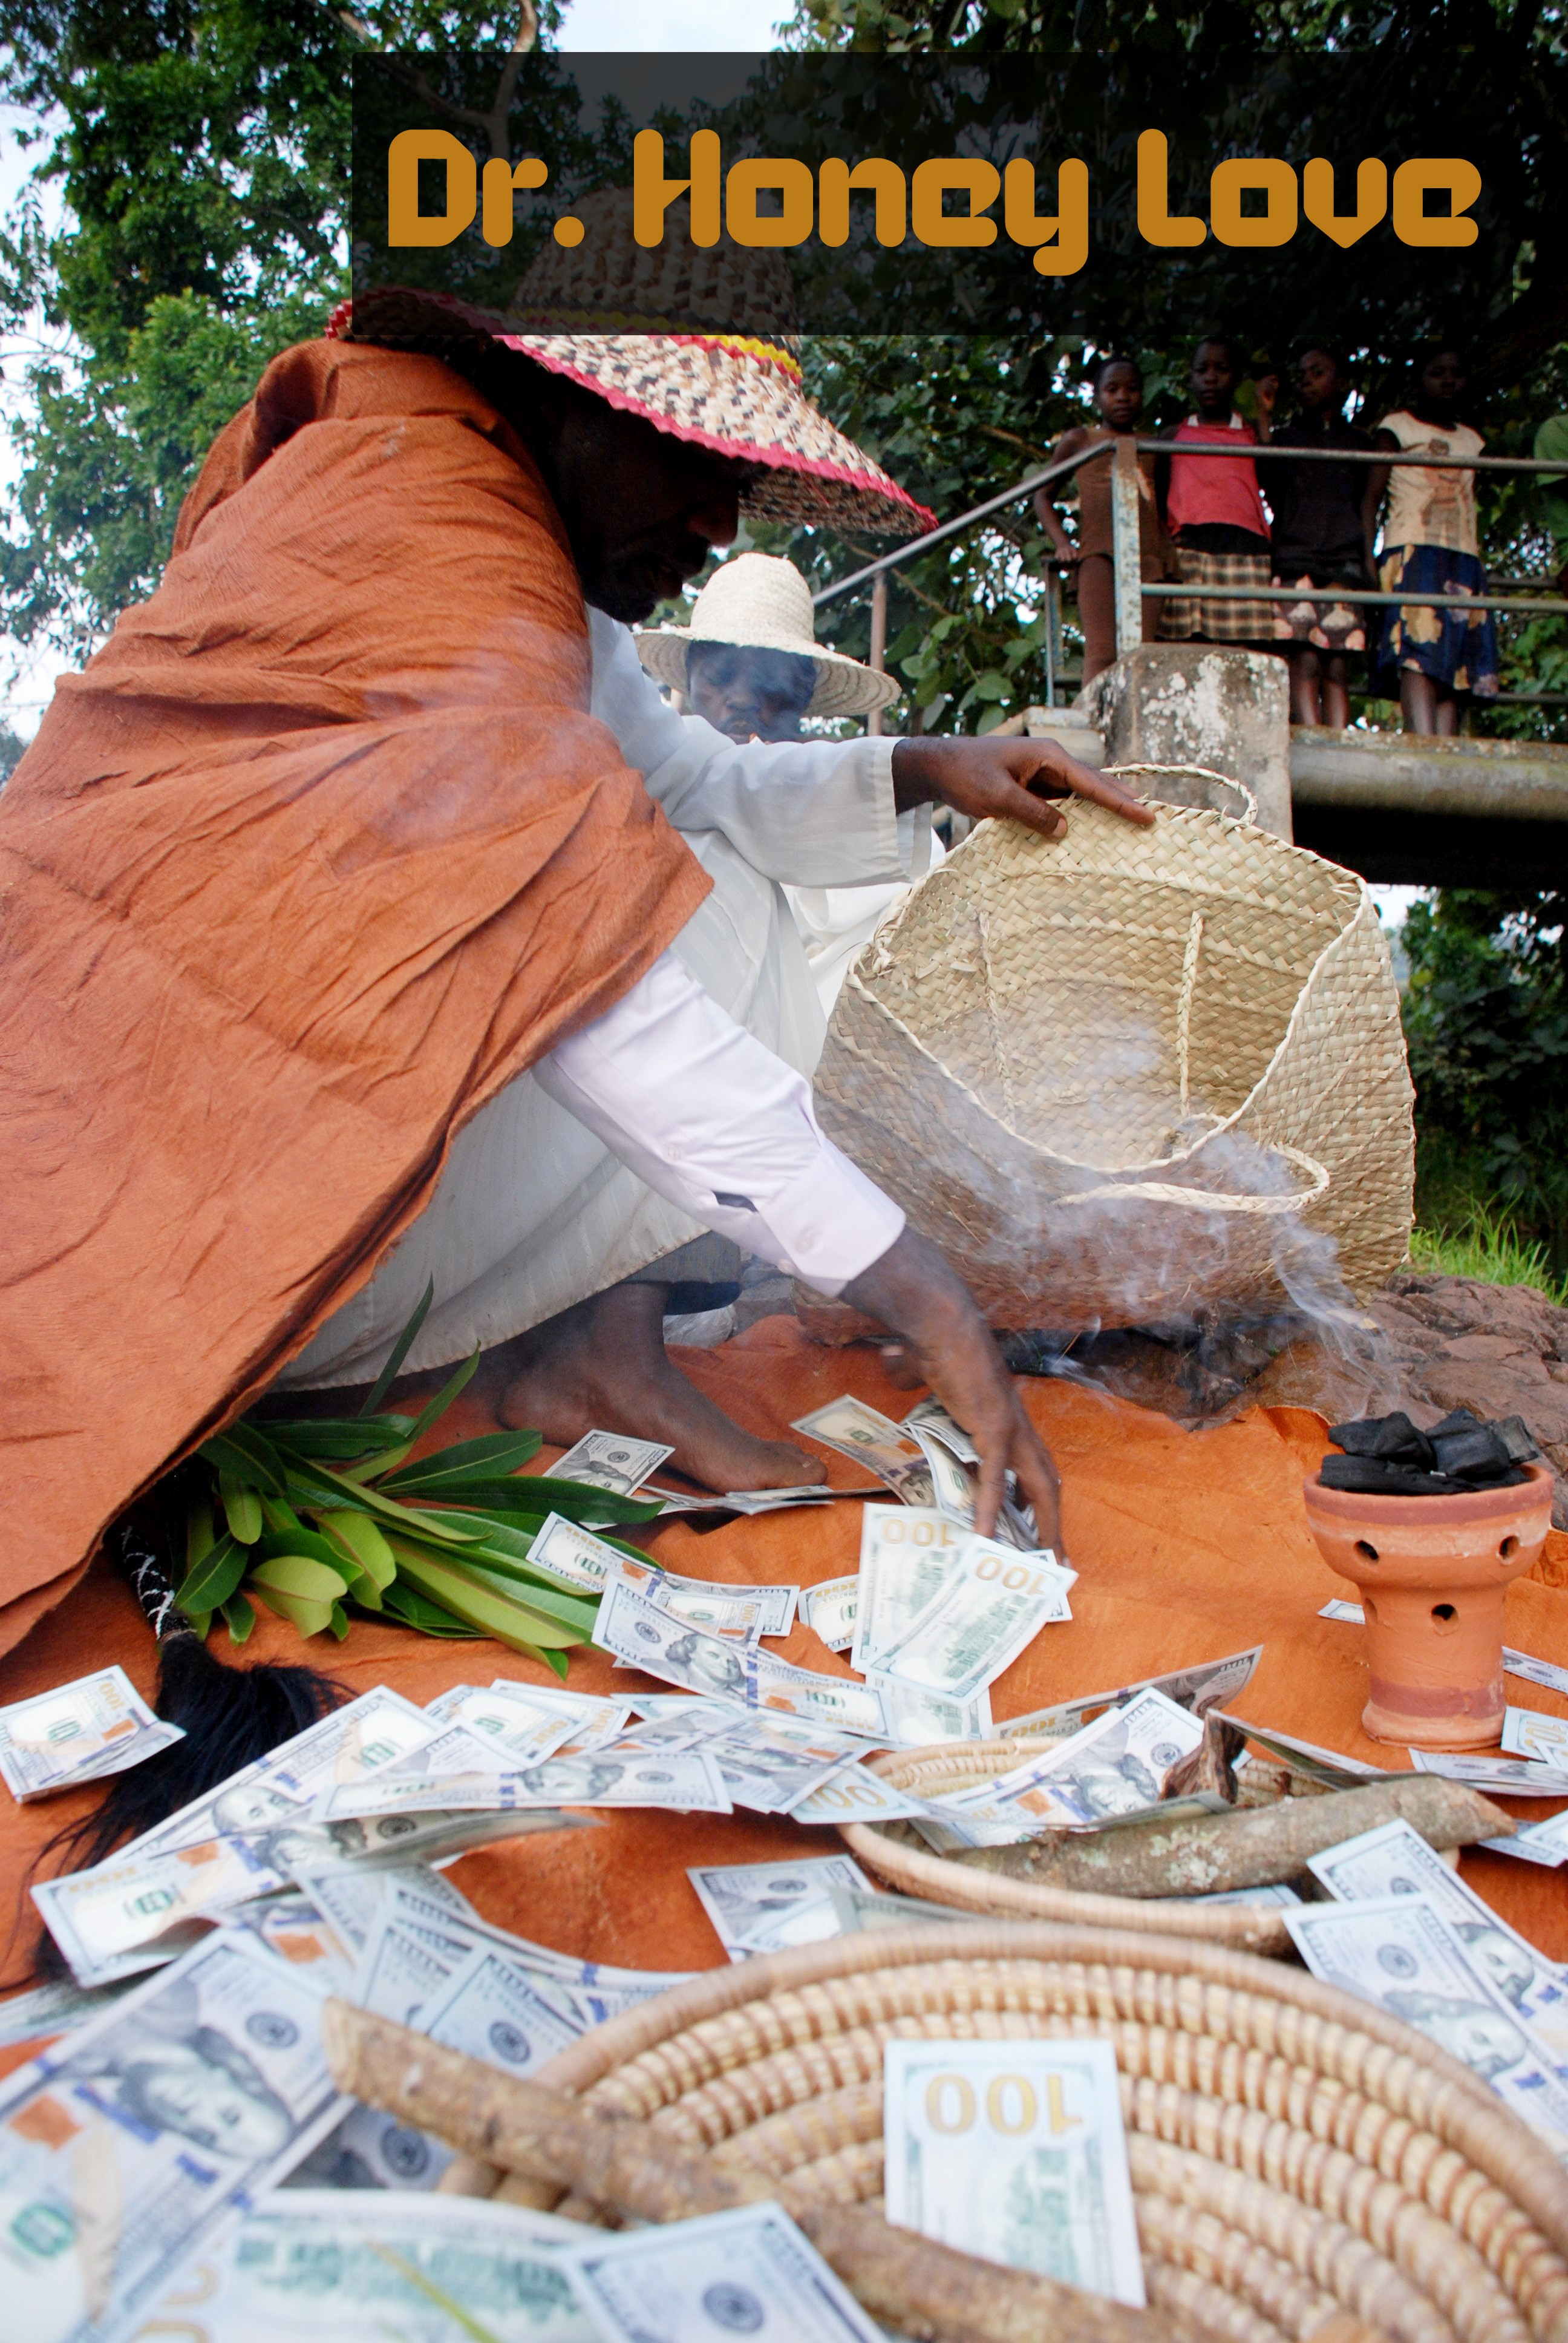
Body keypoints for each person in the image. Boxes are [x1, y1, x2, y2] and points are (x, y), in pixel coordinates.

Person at [0, 206, 1158, 1648]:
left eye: (737, 483)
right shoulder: (440, 548)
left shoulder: (499, 539)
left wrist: (927, 768)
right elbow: (592, 967)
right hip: (187, 1256)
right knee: (664, 916)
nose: (717, 523)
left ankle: (600, 1358)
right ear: (573, 406)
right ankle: (590, 1351)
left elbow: (696, 790)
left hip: (250, 1187)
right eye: (695, 467)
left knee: (698, 868)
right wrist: (935, 1309)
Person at [635, 551, 939, 1014]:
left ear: (802, 690)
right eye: (720, 676)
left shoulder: (862, 806)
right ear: (692, 681)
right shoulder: (647, 795)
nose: (741, 697)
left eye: (766, 679)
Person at [1364, 345, 1499, 733]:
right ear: (1419, 380)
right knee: (1417, 650)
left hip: (1463, 558)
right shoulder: (1397, 429)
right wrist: (1369, 560)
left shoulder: (1473, 442)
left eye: (1456, 373)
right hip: (1412, 552)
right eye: (1437, 373)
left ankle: (1446, 752)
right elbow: (1371, 499)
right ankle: (1423, 743)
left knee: (1454, 659)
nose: (1448, 381)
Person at [1034, 355, 1174, 683]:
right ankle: (1095, 728)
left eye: (1132, 390)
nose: (1123, 397)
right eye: (1113, 390)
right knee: (1101, 652)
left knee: (1142, 653)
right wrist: (1063, 543)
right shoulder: (1081, 440)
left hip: (1148, 557)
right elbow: (1042, 495)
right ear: (1096, 398)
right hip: (1098, 554)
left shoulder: (1153, 445)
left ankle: (1134, 728)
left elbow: (1164, 503)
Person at [1266, 346, 1375, 727]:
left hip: (1343, 565)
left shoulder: (1362, 444)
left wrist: (1368, 566)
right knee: (1305, 658)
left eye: (1318, 372)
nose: (1307, 381)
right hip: (1296, 559)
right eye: (1302, 375)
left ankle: (1339, 741)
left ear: (1342, 384)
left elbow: (1367, 505)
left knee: (1338, 665)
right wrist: (1264, 414)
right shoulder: (1283, 439)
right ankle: (1313, 738)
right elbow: (1271, 488)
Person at [1157, 335, 1277, 651]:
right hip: (1189, 551)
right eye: (1202, 370)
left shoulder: (1250, 432)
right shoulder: (1174, 436)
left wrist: (1264, 416)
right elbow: (1155, 500)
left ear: (1236, 377)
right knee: (1188, 649)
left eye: (1221, 369)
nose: (1211, 378)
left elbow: (1272, 479)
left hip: (1245, 550)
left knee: (1247, 652)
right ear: (1191, 378)